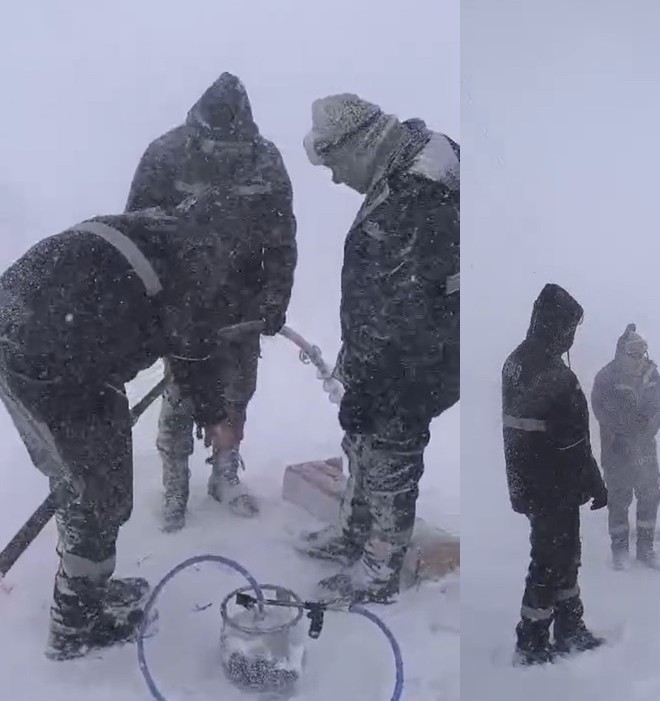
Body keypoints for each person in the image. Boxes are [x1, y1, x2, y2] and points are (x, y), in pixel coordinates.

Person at [0, 192, 244, 660]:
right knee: (101, 496)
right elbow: (193, 351)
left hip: (14, 333)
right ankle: (76, 626)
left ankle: (84, 586)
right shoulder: (196, 262)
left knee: (75, 477)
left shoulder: (151, 227)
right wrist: (215, 417)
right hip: (62, 364)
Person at [294, 94, 459, 604]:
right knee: (361, 439)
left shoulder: (415, 195)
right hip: (410, 339)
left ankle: (379, 567)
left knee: (390, 447)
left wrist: (369, 384)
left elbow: (401, 314)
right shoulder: (420, 157)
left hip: (419, 354)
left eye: (335, 164)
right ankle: (353, 531)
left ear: (358, 144)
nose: (337, 179)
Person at [125, 71, 297, 530]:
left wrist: (275, 297)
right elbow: (137, 236)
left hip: (243, 301)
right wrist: (158, 307)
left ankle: (225, 474)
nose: (227, 159)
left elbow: (281, 239)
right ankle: (174, 487)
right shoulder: (164, 156)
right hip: (183, 303)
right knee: (183, 394)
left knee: (238, 392)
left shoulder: (265, 160)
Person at [501, 283, 608, 666]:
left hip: (531, 483)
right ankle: (532, 642)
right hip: (554, 487)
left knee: (561, 556)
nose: (571, 338)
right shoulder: (553, 374)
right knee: (551, 560)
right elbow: (571, 441)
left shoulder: (517, 362)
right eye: (569, 329)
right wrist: (594, 482)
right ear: (555, 326)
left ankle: (568, 628)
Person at [591, 323, 660, 570]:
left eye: (641, 352)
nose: (638, 358)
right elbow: (600, 408)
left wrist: (646, 426)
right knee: (618, 497)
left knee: (650, 493)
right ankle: (619, 553)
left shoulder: (652, 375)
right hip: (616, 447)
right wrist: (624, 428)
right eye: (633, 352)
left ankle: (645, 550)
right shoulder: (607, 377)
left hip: (645, 447)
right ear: (622, 352)